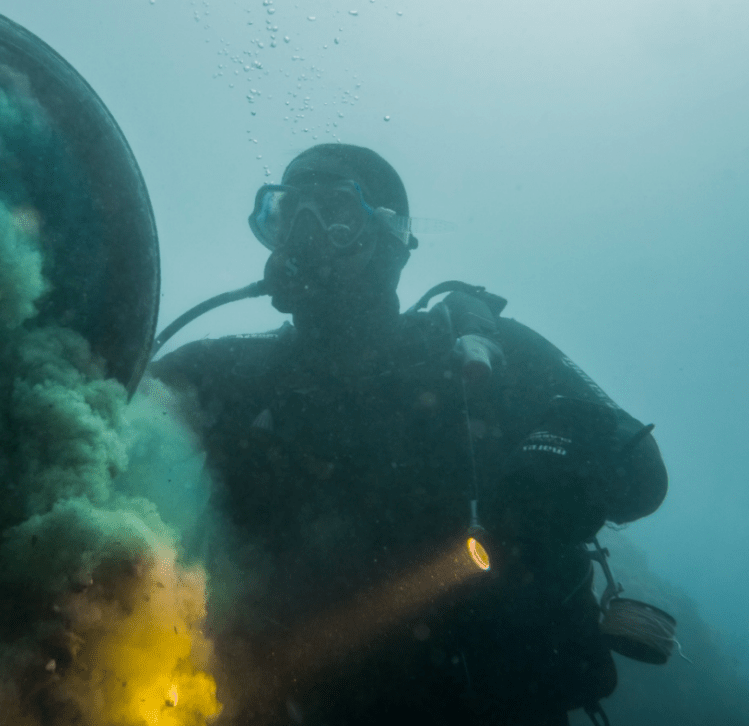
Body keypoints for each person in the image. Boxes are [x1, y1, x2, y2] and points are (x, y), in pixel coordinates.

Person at [151, 144, 668, 726]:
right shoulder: (223, 375)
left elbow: (644, 476)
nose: (306, 236)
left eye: (336, 215)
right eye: (285, 214)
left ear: (393, 242)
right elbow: (92, 401)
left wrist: (556, 466)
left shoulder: (482, 357)